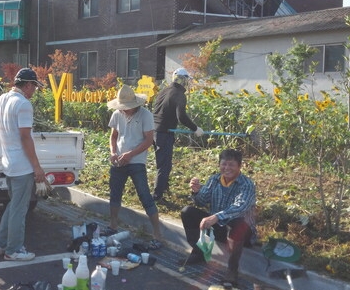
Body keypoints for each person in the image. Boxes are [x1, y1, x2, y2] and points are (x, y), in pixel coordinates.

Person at [0, 68, 46, 261]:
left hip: (8, 162)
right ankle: (13, 250)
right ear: (28, 84)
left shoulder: (2, 99)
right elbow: (25, 136)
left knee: (14, 205)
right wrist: (37, 166)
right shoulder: (23, 104)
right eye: (35, 87)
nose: (35, 91)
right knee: (19, 210)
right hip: (21, 165)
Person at [180, 149, 257, 288]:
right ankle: (199, 252)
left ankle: (232, 270)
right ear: (219, 164)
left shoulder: (247, 184)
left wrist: (215, 216)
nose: (226, 168)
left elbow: (240, 207)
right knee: (187, 212)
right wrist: (196, 191)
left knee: (238, 223)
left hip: (241, 233)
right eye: (224, 164)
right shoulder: (215, 179)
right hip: (220, 227)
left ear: (239, 166)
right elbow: (202, 201)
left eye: (231, 165)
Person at [104, 85, 163, 250]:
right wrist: (113, 152)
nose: (125, 110)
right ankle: (113, 226)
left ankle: (157, 235)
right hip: (119, 161)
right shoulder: (117, 114)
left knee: (145, 196)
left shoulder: (146, 115)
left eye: (127, 108)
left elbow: (148, 141)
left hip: (136, 161)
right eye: (122, 108)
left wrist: (130, 154)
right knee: (115, 193)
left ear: (135, 104)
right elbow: (113, 136)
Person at [152, 68, 203, 202]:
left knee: (161, 163)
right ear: (184, 80)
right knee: (164, 166)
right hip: (164, 133)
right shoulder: (179, 94)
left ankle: (163, 187)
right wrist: (195, 128)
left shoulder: (164, 91)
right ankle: (157, 196)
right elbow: (181, 117)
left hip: (154, 131)